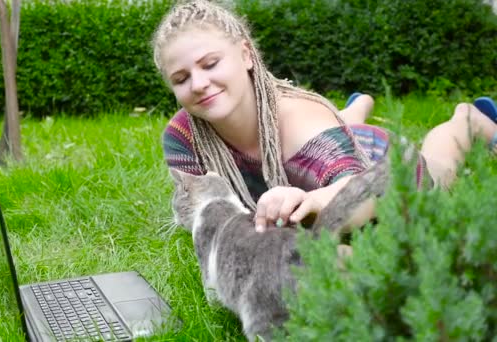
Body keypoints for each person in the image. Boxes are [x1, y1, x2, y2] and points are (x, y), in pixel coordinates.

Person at [152, 0, 497, 233]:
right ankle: (355, 109)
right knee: (334, 135)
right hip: (328, 148)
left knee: (444, 166)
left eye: (210, 64)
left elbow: (364, 197)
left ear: (245, 55)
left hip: (378, 164)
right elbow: (202, 215)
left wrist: (311, 201)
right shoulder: (184, 135)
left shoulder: (302, 124)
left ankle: (468, 119)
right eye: (181, 79)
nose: (198, 84)